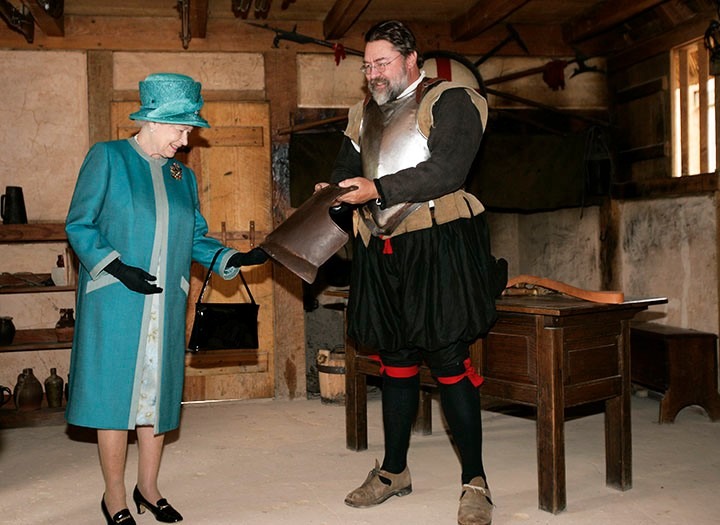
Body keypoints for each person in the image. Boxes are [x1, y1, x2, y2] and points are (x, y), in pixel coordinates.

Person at [318, 21, 507, 525]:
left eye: (382, 63)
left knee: (448, 357)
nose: (373, 73)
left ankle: (476, 482)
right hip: (380, 248)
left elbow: (447, 170)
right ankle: (394, 471)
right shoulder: (363, 114)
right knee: (394, 358)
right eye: (367, 65)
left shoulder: (452, 100)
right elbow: (345, 168)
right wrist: (333, 188)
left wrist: (374, 188)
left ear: (410, 60)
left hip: (437, 244)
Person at [65, 72, 268, 525]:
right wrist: (116, 266)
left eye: (189, 129)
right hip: (117, 301)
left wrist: (234, 256)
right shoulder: (109, 158)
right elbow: (80, 223)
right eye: (180, 128)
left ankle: (148, 488)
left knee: (155, 400)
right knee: (115, 400)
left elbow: (195, 237)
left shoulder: (184, 177)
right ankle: (114, 497)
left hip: (163, 305)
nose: (187, 138)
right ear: (153, 121)